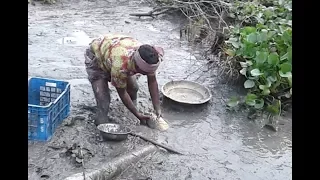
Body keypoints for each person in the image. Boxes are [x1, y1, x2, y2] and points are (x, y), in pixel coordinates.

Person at [84, 34, 164, 126]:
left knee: (133, 88)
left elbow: (152, 81)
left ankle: (131, 110)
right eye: (144, 72)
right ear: (137, 68)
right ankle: (101, 126)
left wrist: (157, 108)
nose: (146, 74)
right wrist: (137, 114)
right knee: (104, 102)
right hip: (97, 56)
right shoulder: (121, 67)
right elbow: (122, 92)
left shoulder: (148, 56)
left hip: (114, 50)